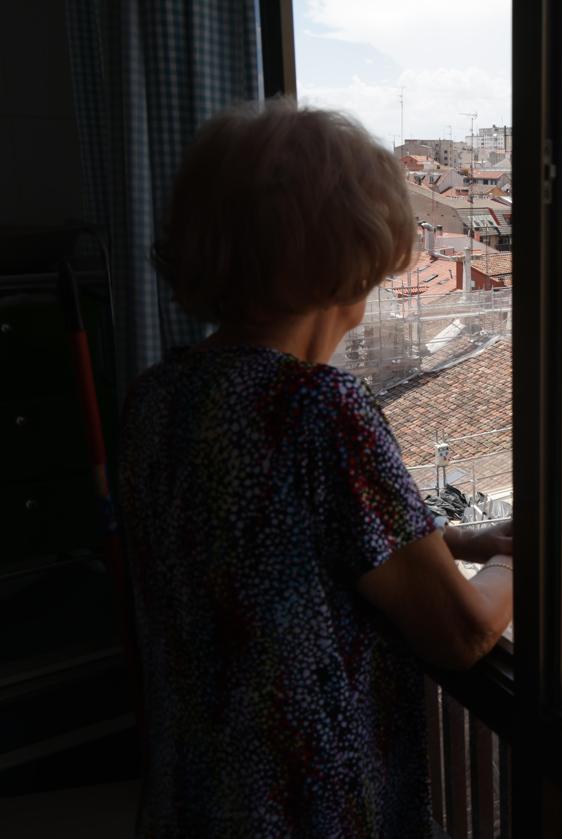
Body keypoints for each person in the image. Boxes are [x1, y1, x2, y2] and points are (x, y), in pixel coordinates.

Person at [117, 99, 512, 838]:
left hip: (191, 786)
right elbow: (459, 632)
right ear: (349, 259)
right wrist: (524, 562)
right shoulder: (315, 408)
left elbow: (271, 541)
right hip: (304, 806)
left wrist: (454, 542)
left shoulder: (158, 396)